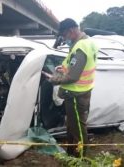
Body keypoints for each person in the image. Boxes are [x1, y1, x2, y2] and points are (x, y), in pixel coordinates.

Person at [42, 18, 98, 157]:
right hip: (81, 91)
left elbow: (73, 77)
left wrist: (54, 79)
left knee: (78, 128)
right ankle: (72, 154)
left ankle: (80, 159)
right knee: (73, 126)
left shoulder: (81, 47)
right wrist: (64, 68)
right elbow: (75, 66)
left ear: (71, 31)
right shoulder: (87, 42)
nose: (64, 38)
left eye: (65, 35)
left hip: (75, 94)